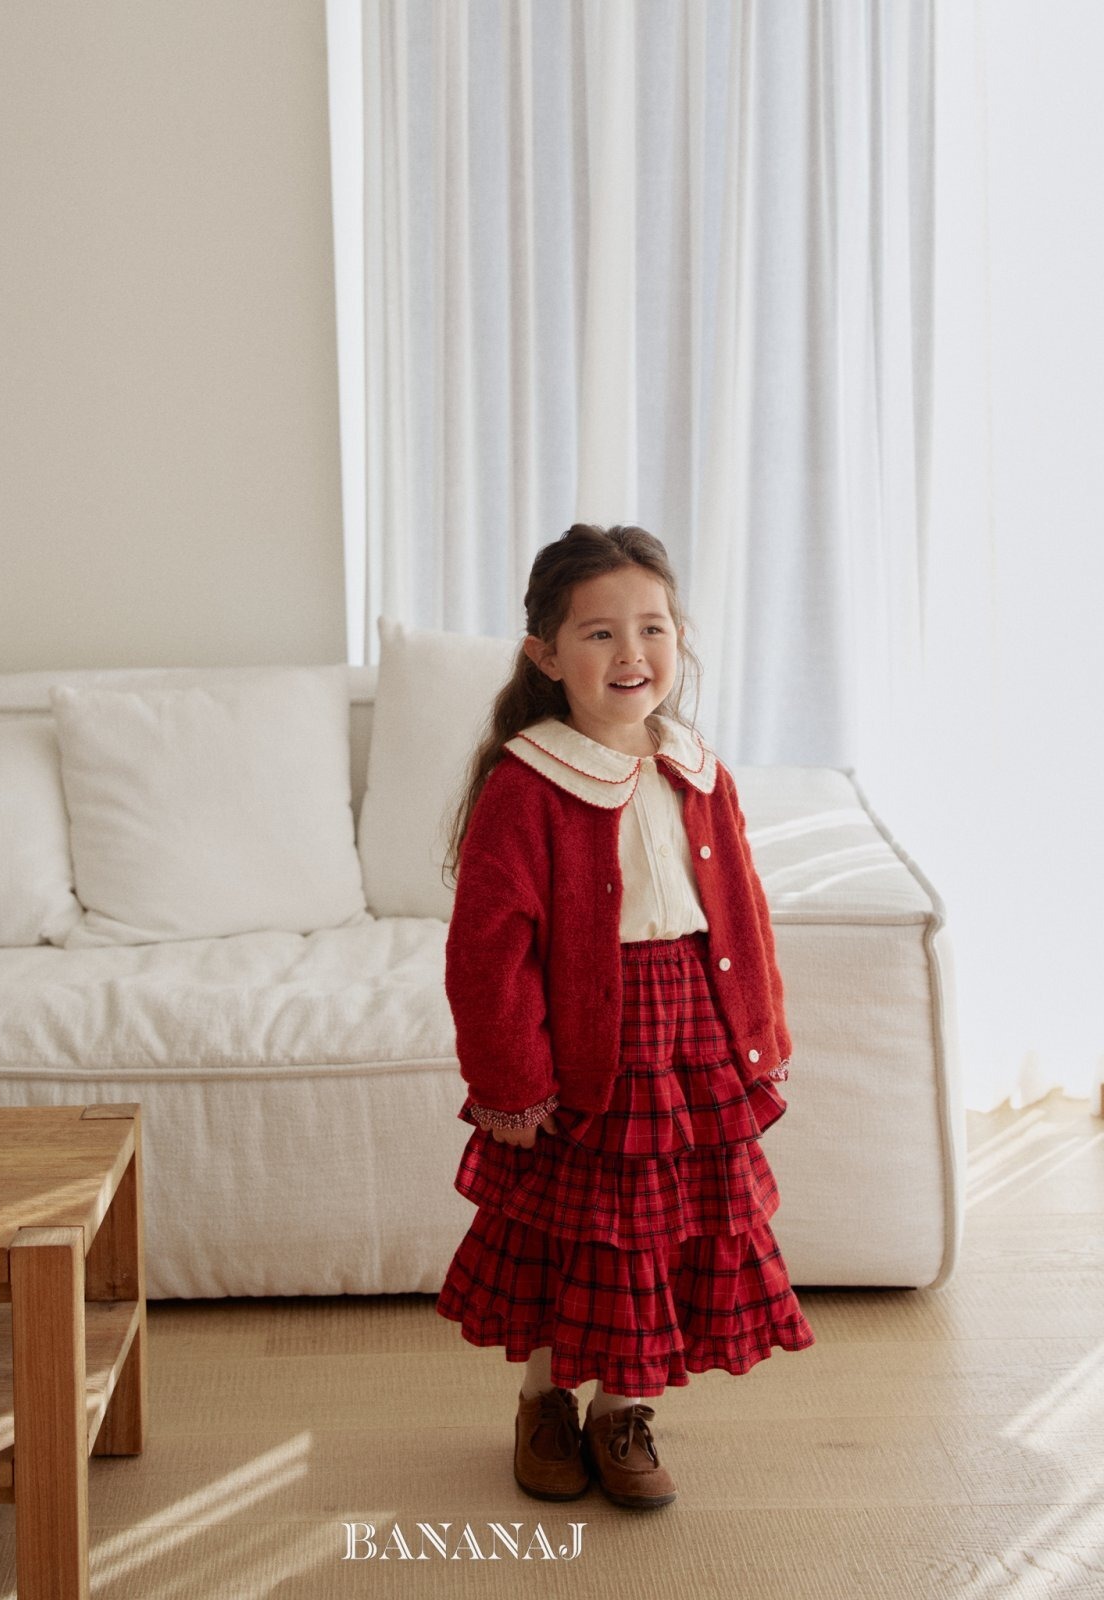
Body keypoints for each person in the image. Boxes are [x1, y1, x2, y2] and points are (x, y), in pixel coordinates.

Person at [434, 522, 816, 1511]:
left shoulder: (697, 770)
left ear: (678, 638)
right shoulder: (527, 783)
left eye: (651, 627)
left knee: (664, 1235)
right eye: (598, 633)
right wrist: (512, 1082)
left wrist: (761, 1036)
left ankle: (623, 1411)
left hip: (692, 1035)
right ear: (545, 655)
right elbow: (486, 954)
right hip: (590, 1051)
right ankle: (545, 1404)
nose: (630, 652)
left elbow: (744, 913)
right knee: (577, 1236)